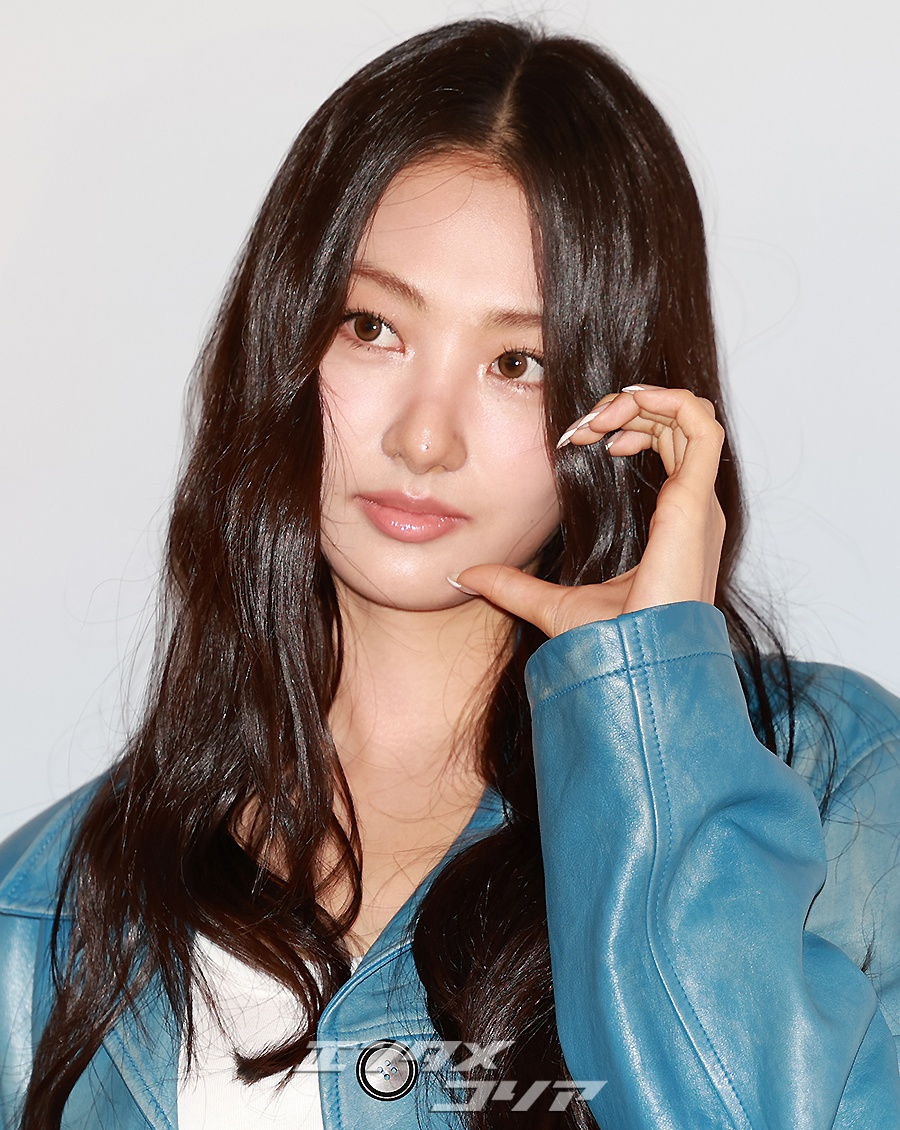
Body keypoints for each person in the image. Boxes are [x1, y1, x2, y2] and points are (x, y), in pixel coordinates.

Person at [1, 17, 899, 1129]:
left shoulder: (834, 784)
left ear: (623, 405)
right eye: (372, 327)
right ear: (283, 342)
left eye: (517, 361)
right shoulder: (49, 910)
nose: (424, 438)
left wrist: (654, 720)